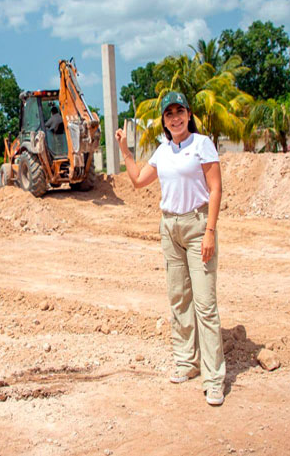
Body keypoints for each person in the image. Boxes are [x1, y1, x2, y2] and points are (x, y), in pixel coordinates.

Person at [115, 91, 226, 407]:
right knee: (179, 299)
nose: (175, 118)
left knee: (204, 303)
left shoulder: (202, 144)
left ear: (189, 115)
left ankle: (214, 379)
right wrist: (125, 151)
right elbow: (137, 180)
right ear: (163, 121)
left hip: (197, 226)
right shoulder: (162, 150)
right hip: (169, 228)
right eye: (169, 114)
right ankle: (186, 363)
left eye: (180, 111)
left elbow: (216, 188)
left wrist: (210, 232)